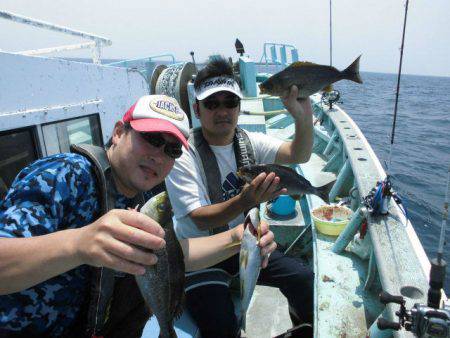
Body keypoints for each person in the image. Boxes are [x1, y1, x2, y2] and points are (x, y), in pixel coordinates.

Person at [0, 94, 276, 337]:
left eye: (171, 150)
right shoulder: (64, 174)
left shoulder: (146, 197)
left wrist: (239, 239)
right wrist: (79, 244)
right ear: (119, 132)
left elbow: (169, 256)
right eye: (151, 139)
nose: (159, 156)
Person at [165, 57, 315, 338]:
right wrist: (245, 201)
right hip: (202, 255)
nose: (222, 111)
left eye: (229, 102)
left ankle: (304, 327)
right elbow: (197, 220)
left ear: (239, 107)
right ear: (197, 109)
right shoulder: (184, 154)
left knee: (304, 280)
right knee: (221, 326)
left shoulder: (249, 142)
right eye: (212, 104)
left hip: (244, 244)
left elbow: (299, 154)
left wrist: (302, 116)